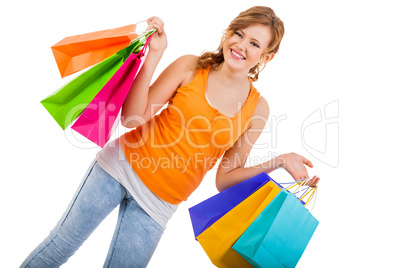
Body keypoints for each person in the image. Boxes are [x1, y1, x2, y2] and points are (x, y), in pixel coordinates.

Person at [21, 6, 320, 268]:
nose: (241, 45)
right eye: (239, 34)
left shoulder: (259, 109)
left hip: (158, 206)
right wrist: (155, 55)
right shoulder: (192, 67)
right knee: (59, 247)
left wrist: (279, 161)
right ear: (229, 33)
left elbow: (224, 179)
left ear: (268, 55)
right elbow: (131, 117)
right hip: (118, 169)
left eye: (254, 43)